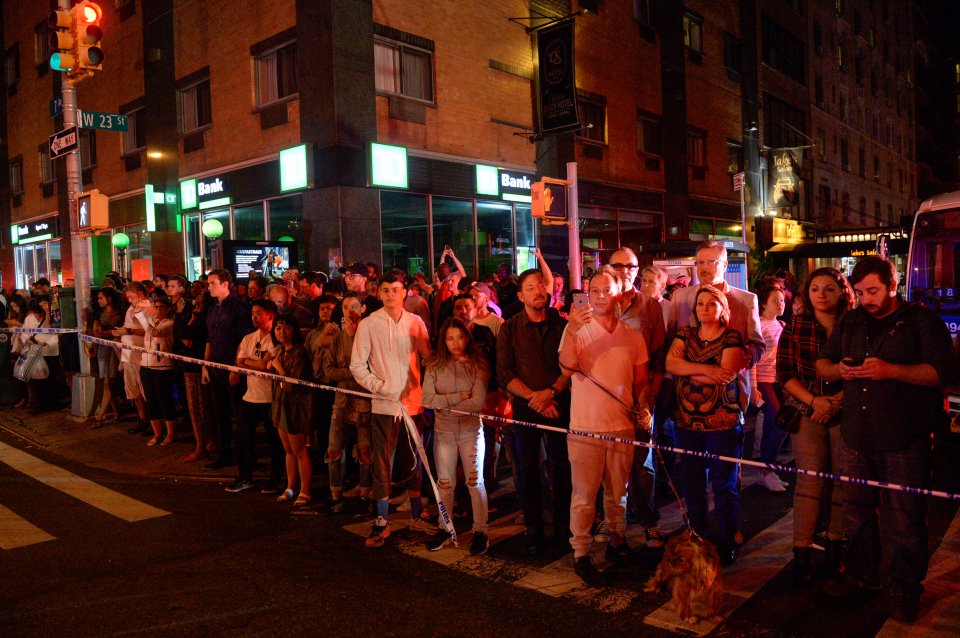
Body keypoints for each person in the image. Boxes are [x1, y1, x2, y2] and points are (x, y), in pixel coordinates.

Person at [817, 256, 958, 622]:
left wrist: (891, 370)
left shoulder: (920, 321)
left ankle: (906, 590)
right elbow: (823, 363)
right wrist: (840, 371)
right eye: (861, 292)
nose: (867, 299)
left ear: (893, 286)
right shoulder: (851, 320)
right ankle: (862, 576)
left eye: (874, 291)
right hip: (856, 437)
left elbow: (942, 372)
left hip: (904, 438)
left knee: (907, 517)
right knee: (856, 513)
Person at [559, 270, 650, 586]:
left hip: (622, 426)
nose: (598, 296)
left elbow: (641, 380)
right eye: (593, 290)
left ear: (619, 295)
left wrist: (644, 406)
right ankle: (581, 553)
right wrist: (571, 329)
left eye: (605, 290)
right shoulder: (577, 330)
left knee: (618, 493)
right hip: (585, 427)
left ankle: (617, 541)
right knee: (584, 495)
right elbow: (567, 367)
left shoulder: (632, 335)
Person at [350, 269, 434, 548]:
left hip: (414, 404)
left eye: (395, 289)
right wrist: (380, 386)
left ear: (405, 291)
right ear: (378, 293)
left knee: (414, 459)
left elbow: (428, 358)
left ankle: (416, 513)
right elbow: (357, 366)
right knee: (382, 462)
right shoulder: (369, 324)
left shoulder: (415, 322)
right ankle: (381, 520)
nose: (390, 295)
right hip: (384, 405)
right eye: (385, 290)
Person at [777, 267, 850, 583]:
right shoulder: (795, 326)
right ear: (807, 294)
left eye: (829, 288)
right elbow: (785, 373)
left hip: (846, 412)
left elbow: (861, 369)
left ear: (842, 292)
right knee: (810, 481)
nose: (822, 294)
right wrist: (815, 402)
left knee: (842, 480)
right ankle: (802, 551)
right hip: (807, 412)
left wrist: (836, 402)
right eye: (816, 288)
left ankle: (836, 546)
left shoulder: (854, 326)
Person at [665, 285, 746, 566]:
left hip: (722, 422)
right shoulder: (685, 334)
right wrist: (708, 368)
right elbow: (671, 364)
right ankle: (698, 534)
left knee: (723, 483)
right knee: (692, 482)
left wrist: (692, 369)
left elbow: (725, 377)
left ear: (723, 309)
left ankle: (726, 539)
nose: (704, 308)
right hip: (687, 421)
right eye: (700, 303)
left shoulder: (732, 337)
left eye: (712, 304)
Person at [496, 268, 572, 555]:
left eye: (541, 285)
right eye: (530, 287)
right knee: (527, 469)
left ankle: (564, 527)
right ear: (520, 295)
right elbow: (504, 373)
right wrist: (534, 398)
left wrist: (551, 393)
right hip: (526, 409)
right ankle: (534, 529)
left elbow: (571, 367)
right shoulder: (510, 328)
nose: (538, 291)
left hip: (559, 406)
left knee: (562, 468)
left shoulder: (562, 325)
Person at [608, 248, 666, 546]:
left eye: (630, 265)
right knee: (609, 463)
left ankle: (647, 521)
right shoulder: (598, 302)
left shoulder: (649, 306)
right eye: (618, 265)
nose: (624, 270)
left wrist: (650, 399)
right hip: (605, 397)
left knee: (643, 464)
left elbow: (658, 356)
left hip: (640, 394)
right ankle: (613, 522)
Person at [422, 318, 491, 555]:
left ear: (467, 338)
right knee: (445, 483)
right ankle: (445, 528)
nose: (455, 343)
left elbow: (477, 402)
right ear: (443, 340)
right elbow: (427, 400)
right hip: (444, 432)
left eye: (460, 337)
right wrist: (459, 395)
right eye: (450, 338)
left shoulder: (478, 364)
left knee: (475, 482)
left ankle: (480, 531)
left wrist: (446, 402)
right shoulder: (434, 365)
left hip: (471, 431)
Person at [225, 299, 286, 494]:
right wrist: (249, 363)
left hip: (270, 398)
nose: (254, 317)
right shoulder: (249, 338)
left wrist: (247, 363)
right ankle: (245, 477)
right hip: (250, 397)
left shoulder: (277, 340)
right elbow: (240, 361)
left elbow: (262, 367)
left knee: (275, 442)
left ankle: (276, 479)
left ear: (270, 314)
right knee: (243, 439)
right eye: (253, 313)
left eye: (258, 313)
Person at [323, 293, 373, 512]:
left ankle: (365, 492)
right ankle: (336, 494)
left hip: (364, 399)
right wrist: (354, 372)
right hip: (342, 399)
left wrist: (355, 373)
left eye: (355, 306)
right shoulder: (337, 339)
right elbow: (328, 371)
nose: (350, 311)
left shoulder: (370, 335)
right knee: (334, 448)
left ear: (363, 309)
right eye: (346, 307)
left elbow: (374, 369)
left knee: (364, 448)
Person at [203, 269, 252, 470]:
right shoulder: (213, 309)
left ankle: (246, 457)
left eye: (212, 283)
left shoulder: (239, 308)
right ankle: (224, 453)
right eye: (208, 283)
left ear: (225, 284)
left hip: (231, 366)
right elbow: (210, 338)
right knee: (219, 412)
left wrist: (235, 367)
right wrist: (205, 364)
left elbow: (243, 339)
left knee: (239, 415)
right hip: (215, 367)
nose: (209, 287)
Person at [267, 314, 315, 507]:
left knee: (299, 450)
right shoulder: (278, 351)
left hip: (296, 407)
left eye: (286, 328)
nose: (282, 332)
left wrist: (278, 368)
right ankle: (290, 487)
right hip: (280, 404)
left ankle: (305, 490)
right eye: (278, 328)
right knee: (288, 450)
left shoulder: (300, 353)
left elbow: (293, 384)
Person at [754, 285, 789, 492]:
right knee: (777, 421)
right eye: (775, 299)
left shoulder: (782, 325)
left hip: (779, 382)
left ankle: (768, 469)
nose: (780, 303)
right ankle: (766, 471)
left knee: (780, 424)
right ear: (764, 303)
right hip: (764, 381)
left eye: (782, 300)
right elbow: (752, 360)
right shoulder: (759, 325)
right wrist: (753, 386)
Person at [176, 290, 213, 462]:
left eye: (200, 304)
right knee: (198, 407)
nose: (196, 307)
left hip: (197, 367)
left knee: (198, 407)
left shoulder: (205, 321)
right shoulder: (195, 318)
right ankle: (205, 442)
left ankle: (203, 445)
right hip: (191, 366)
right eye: (195, 304)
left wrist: (185, 322)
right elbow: (181, 335)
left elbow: (185, 335)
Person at [139, 296, 178, 446]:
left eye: (162, 306)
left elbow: (155, 333)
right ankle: (157, 433)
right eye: (156, 306)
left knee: (165, 400)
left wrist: (142, 315)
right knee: (151, 401)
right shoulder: (151, 321)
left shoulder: (170, 323)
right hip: (146, 366)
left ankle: (171, 433)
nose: (158, 310)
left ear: (168, 308)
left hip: (163, 367)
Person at [113, 282, 151, 433]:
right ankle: (142, 419)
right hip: (128, 356)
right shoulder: (131, 308)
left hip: (141, 355)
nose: (129, 300)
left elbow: (149, 331)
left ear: (140, 294)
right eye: (128, 297)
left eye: (131, 296)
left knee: (145, 390)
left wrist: (128, 331)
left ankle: (153, 421)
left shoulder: (148, 308)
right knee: (133, 391)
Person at [19, 296, 61, 412]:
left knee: (51, 377)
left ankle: (54, 403)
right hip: (35, 350)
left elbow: (56, 333)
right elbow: (24, 332)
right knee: (38, 379)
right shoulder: (30, 318)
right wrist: (26, 340)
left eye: (45, 304)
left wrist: (47, 343)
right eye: (41, 304)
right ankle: (42, 404)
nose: (43, 306)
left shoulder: (53, 317)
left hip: (50, 351)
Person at [90, 288, 124, 426]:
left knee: (108, 381)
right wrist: (106, 333)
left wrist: (104, 332)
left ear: (109, 299)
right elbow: (96, 332)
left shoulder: (121, 314)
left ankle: (100, 415)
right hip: (103, 348)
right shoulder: (99, 313)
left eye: (101, 298)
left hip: (115, 348)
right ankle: (116, 413)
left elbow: (119, 332)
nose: (99, 301)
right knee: (107, 380)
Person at [5, 294, 29, 408]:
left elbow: (27, 328)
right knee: (16, 372)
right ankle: (22, 397)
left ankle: (27, 397)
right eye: (12, 306)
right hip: (14, 345)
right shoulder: (15, 314)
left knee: (23, 373)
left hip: (23, 346)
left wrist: (17, 324)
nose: (14, 308)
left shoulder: (26, 315)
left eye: (15, 306)